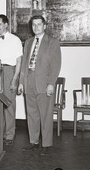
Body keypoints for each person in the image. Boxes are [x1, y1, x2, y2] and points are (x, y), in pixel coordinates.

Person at [18, 15, 61, 156]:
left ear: (44, 26)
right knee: (32, 115)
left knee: (46, 115)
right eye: (33, 25)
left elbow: (56, 66)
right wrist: (21, 83)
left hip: (44, 84)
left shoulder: (52, 42)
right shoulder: (28, 42)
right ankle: (34, 142)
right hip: (29, 83)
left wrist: (51, 84)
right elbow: (24, 64)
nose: (36, 27)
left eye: (39, 24)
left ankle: (46, 144)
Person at [0, 14, 23, 146]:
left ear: (6, 24)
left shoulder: (15, 40)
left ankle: (9, 135)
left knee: (8, 104)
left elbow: (19, 60)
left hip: (10, 71)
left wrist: (15, 78)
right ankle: (0, 134)